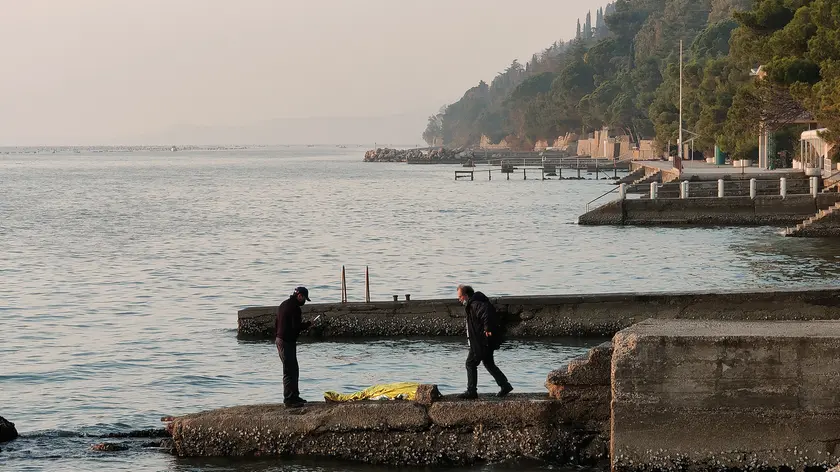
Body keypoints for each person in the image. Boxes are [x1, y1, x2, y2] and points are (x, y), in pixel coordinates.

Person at [456, 284, 513, 399]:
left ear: (466, 295)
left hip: (481, 340)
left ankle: (471, 391)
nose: (459, 299)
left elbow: (486, 314)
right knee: (488, 363)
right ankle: (505, 385)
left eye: (460, 296)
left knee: (470, 363)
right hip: (481, 340)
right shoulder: (473, 303)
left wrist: (487, 328)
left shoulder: (475, 304)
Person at [275, 286, 312, 407]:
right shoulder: (294, 308)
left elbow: (276, 322)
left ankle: (294, 396)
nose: (304, 301)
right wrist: (308, 325)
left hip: (281, 340)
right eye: (304, 298)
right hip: (286, 342)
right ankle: (289, 399)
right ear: (299, 296)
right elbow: (295, 326)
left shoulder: (284, 304)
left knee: (293, 369)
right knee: (290, 370)